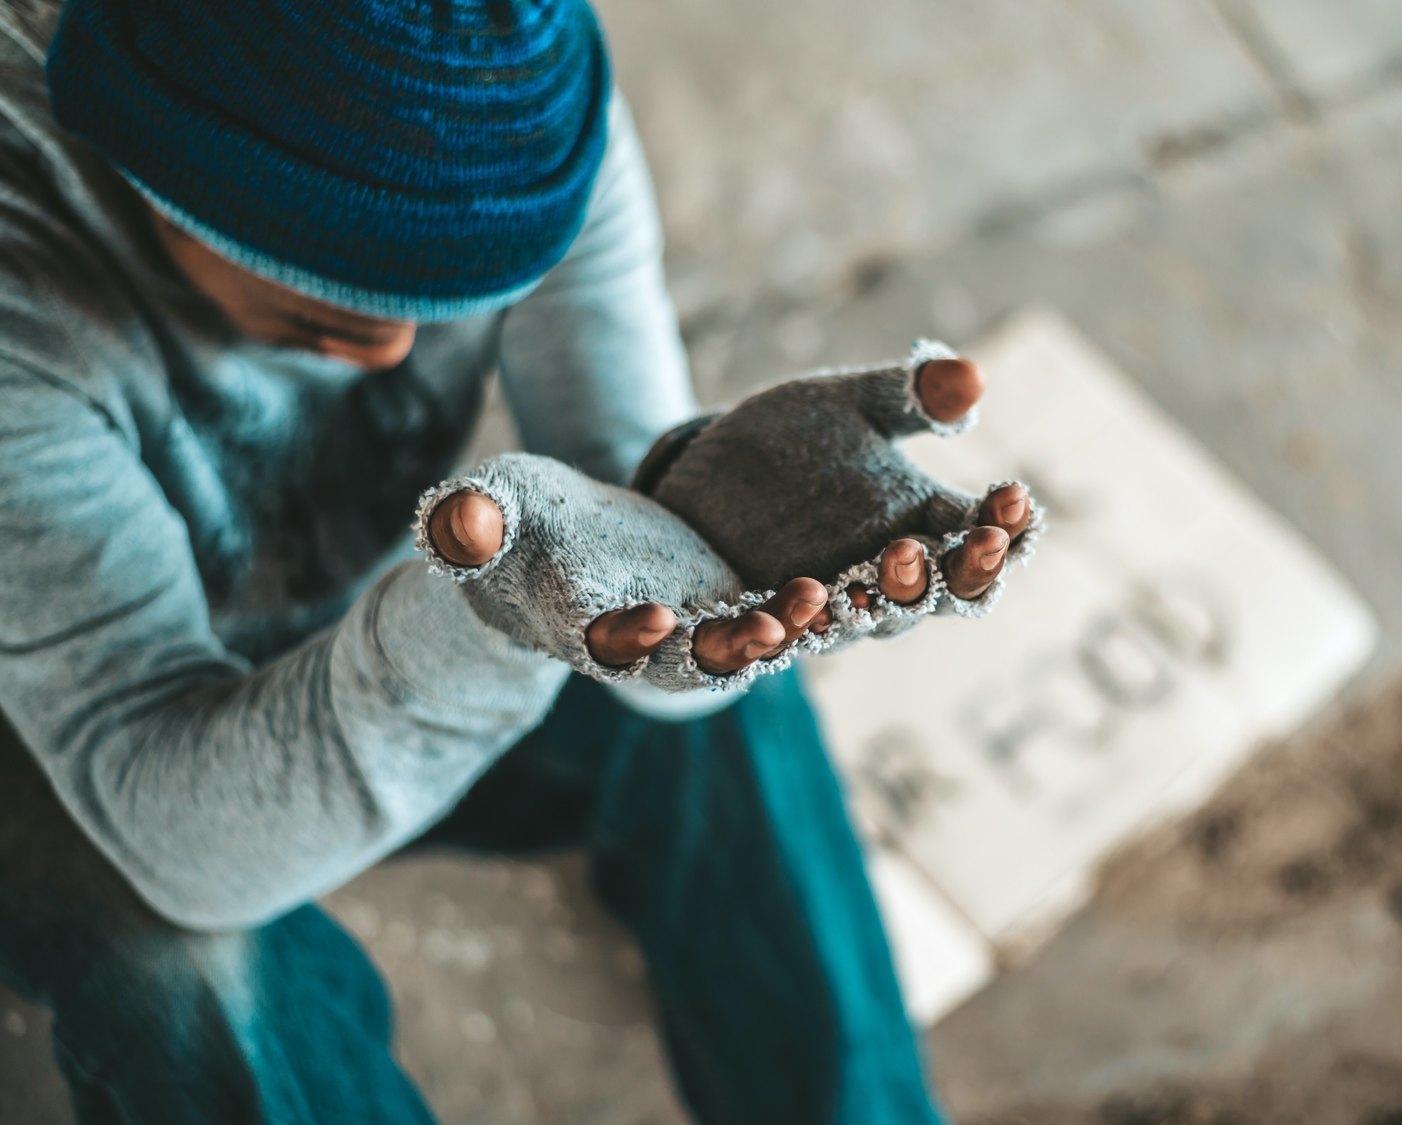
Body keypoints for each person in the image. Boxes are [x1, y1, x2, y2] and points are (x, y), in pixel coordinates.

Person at [0, 0, 1031, 1121]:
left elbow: (644, 533)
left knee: (734, 618)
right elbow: (185, 841)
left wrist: (707, 518)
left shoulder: (524, 110)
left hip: (319, 614)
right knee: (190, 971)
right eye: (320, 308)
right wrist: (491, 621)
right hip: (53, 728)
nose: (389, 351)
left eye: (443, 306)